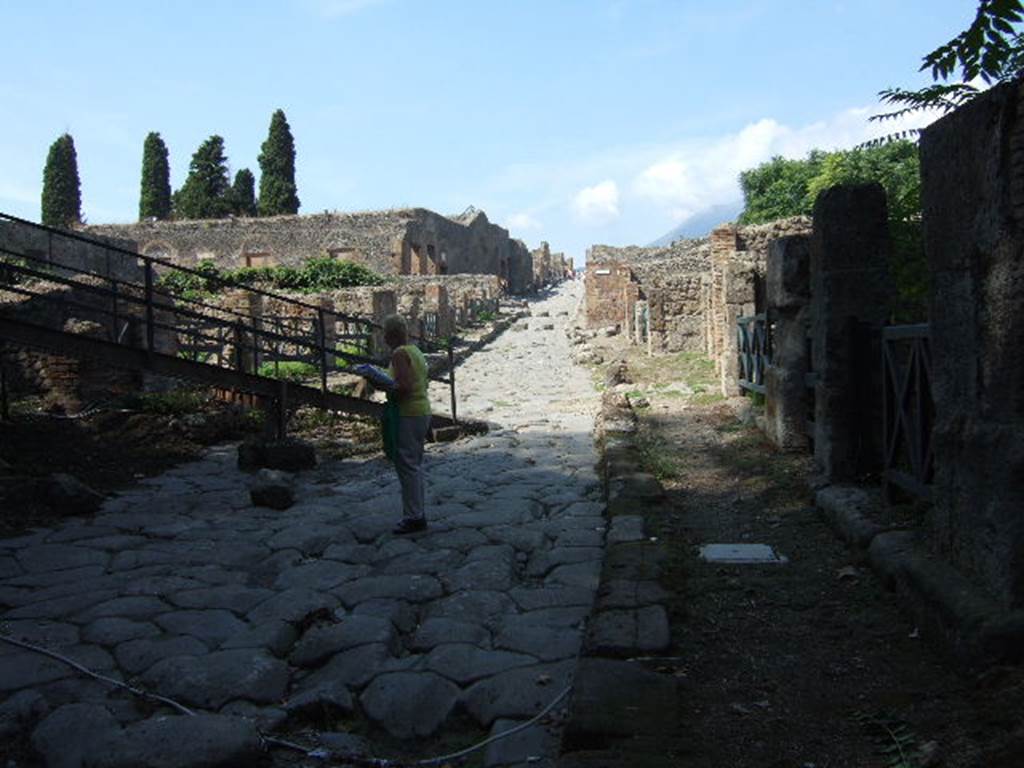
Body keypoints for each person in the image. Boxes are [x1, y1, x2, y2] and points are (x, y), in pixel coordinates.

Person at [382, 314, 432, 534]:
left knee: (407, 466)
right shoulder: (416, 351)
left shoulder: (399, 354)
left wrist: (382, 383)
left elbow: (404, 387)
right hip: (422, 411)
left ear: (389, 335)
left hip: (407, 413)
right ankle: (417, 512)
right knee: (415, 465)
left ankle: (414, 517)